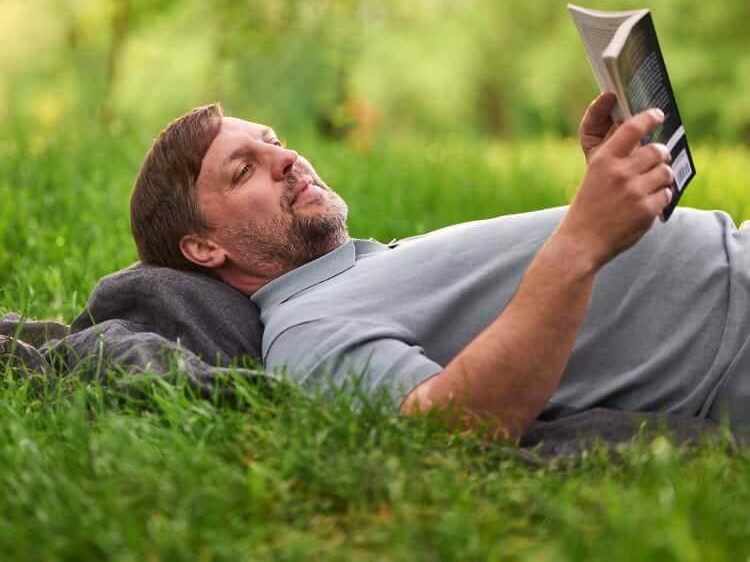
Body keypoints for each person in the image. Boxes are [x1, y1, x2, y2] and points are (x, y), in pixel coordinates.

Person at [129, 95, 750, 438]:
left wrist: (609, 197)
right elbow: (449, 428)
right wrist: (581, 240)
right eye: (244, 170)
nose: (287, 157)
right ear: (204, 248)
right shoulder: (304, 329)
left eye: (273, 140)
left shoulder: (363, 270)